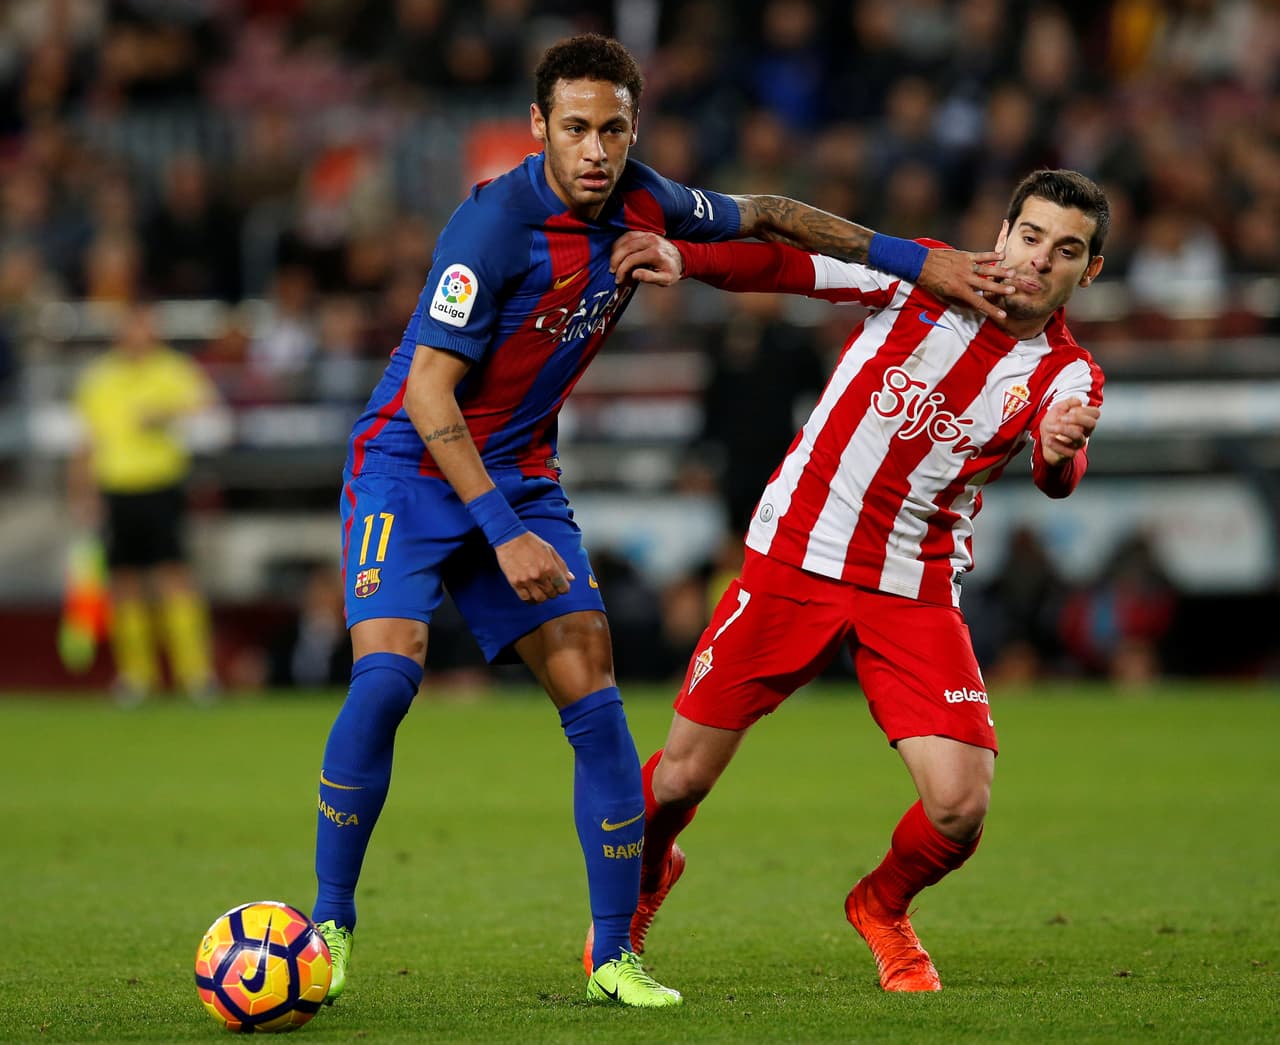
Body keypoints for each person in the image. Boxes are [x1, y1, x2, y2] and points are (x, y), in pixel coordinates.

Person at [309, 32, 1012, 1011]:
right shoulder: (490, 227)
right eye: (574, 129)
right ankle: (327, 927)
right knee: (387, 677)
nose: (595, 150)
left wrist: (919, 263)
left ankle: (609, 956)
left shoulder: (645, 199)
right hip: (407, 469)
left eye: (612, 128)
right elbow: (430, 395)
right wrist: (501, 532)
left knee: (595, 702)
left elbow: (766, 213)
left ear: (632, 127)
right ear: (536, 129)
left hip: (519, 472)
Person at [591, 168, 1109, 992]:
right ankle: (644, 880)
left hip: (914, 587)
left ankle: (881, 905)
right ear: (1005, 230)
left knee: (960, 804)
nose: (1042, 260)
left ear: (1090, 272)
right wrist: (688, 261)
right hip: (797, 553)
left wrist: (1055, 452)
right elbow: (789, 268)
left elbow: (1061, 458)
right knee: (682, 775)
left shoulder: (1067, 372)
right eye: (1033, 236)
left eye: (1068, 250)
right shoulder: (928, 273)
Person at [69, 299, 219, 703]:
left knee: (175, 575)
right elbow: (85, 440)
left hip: (161, 485)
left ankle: (195, 675)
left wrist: (166, 413)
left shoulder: (172, 369)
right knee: (124, 582)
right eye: (132, 327)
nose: (139, 335)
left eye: (145, 327)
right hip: (117, 489)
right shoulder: (99, 378)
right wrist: (82, 492)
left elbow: (209, 409)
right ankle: (137, 677)